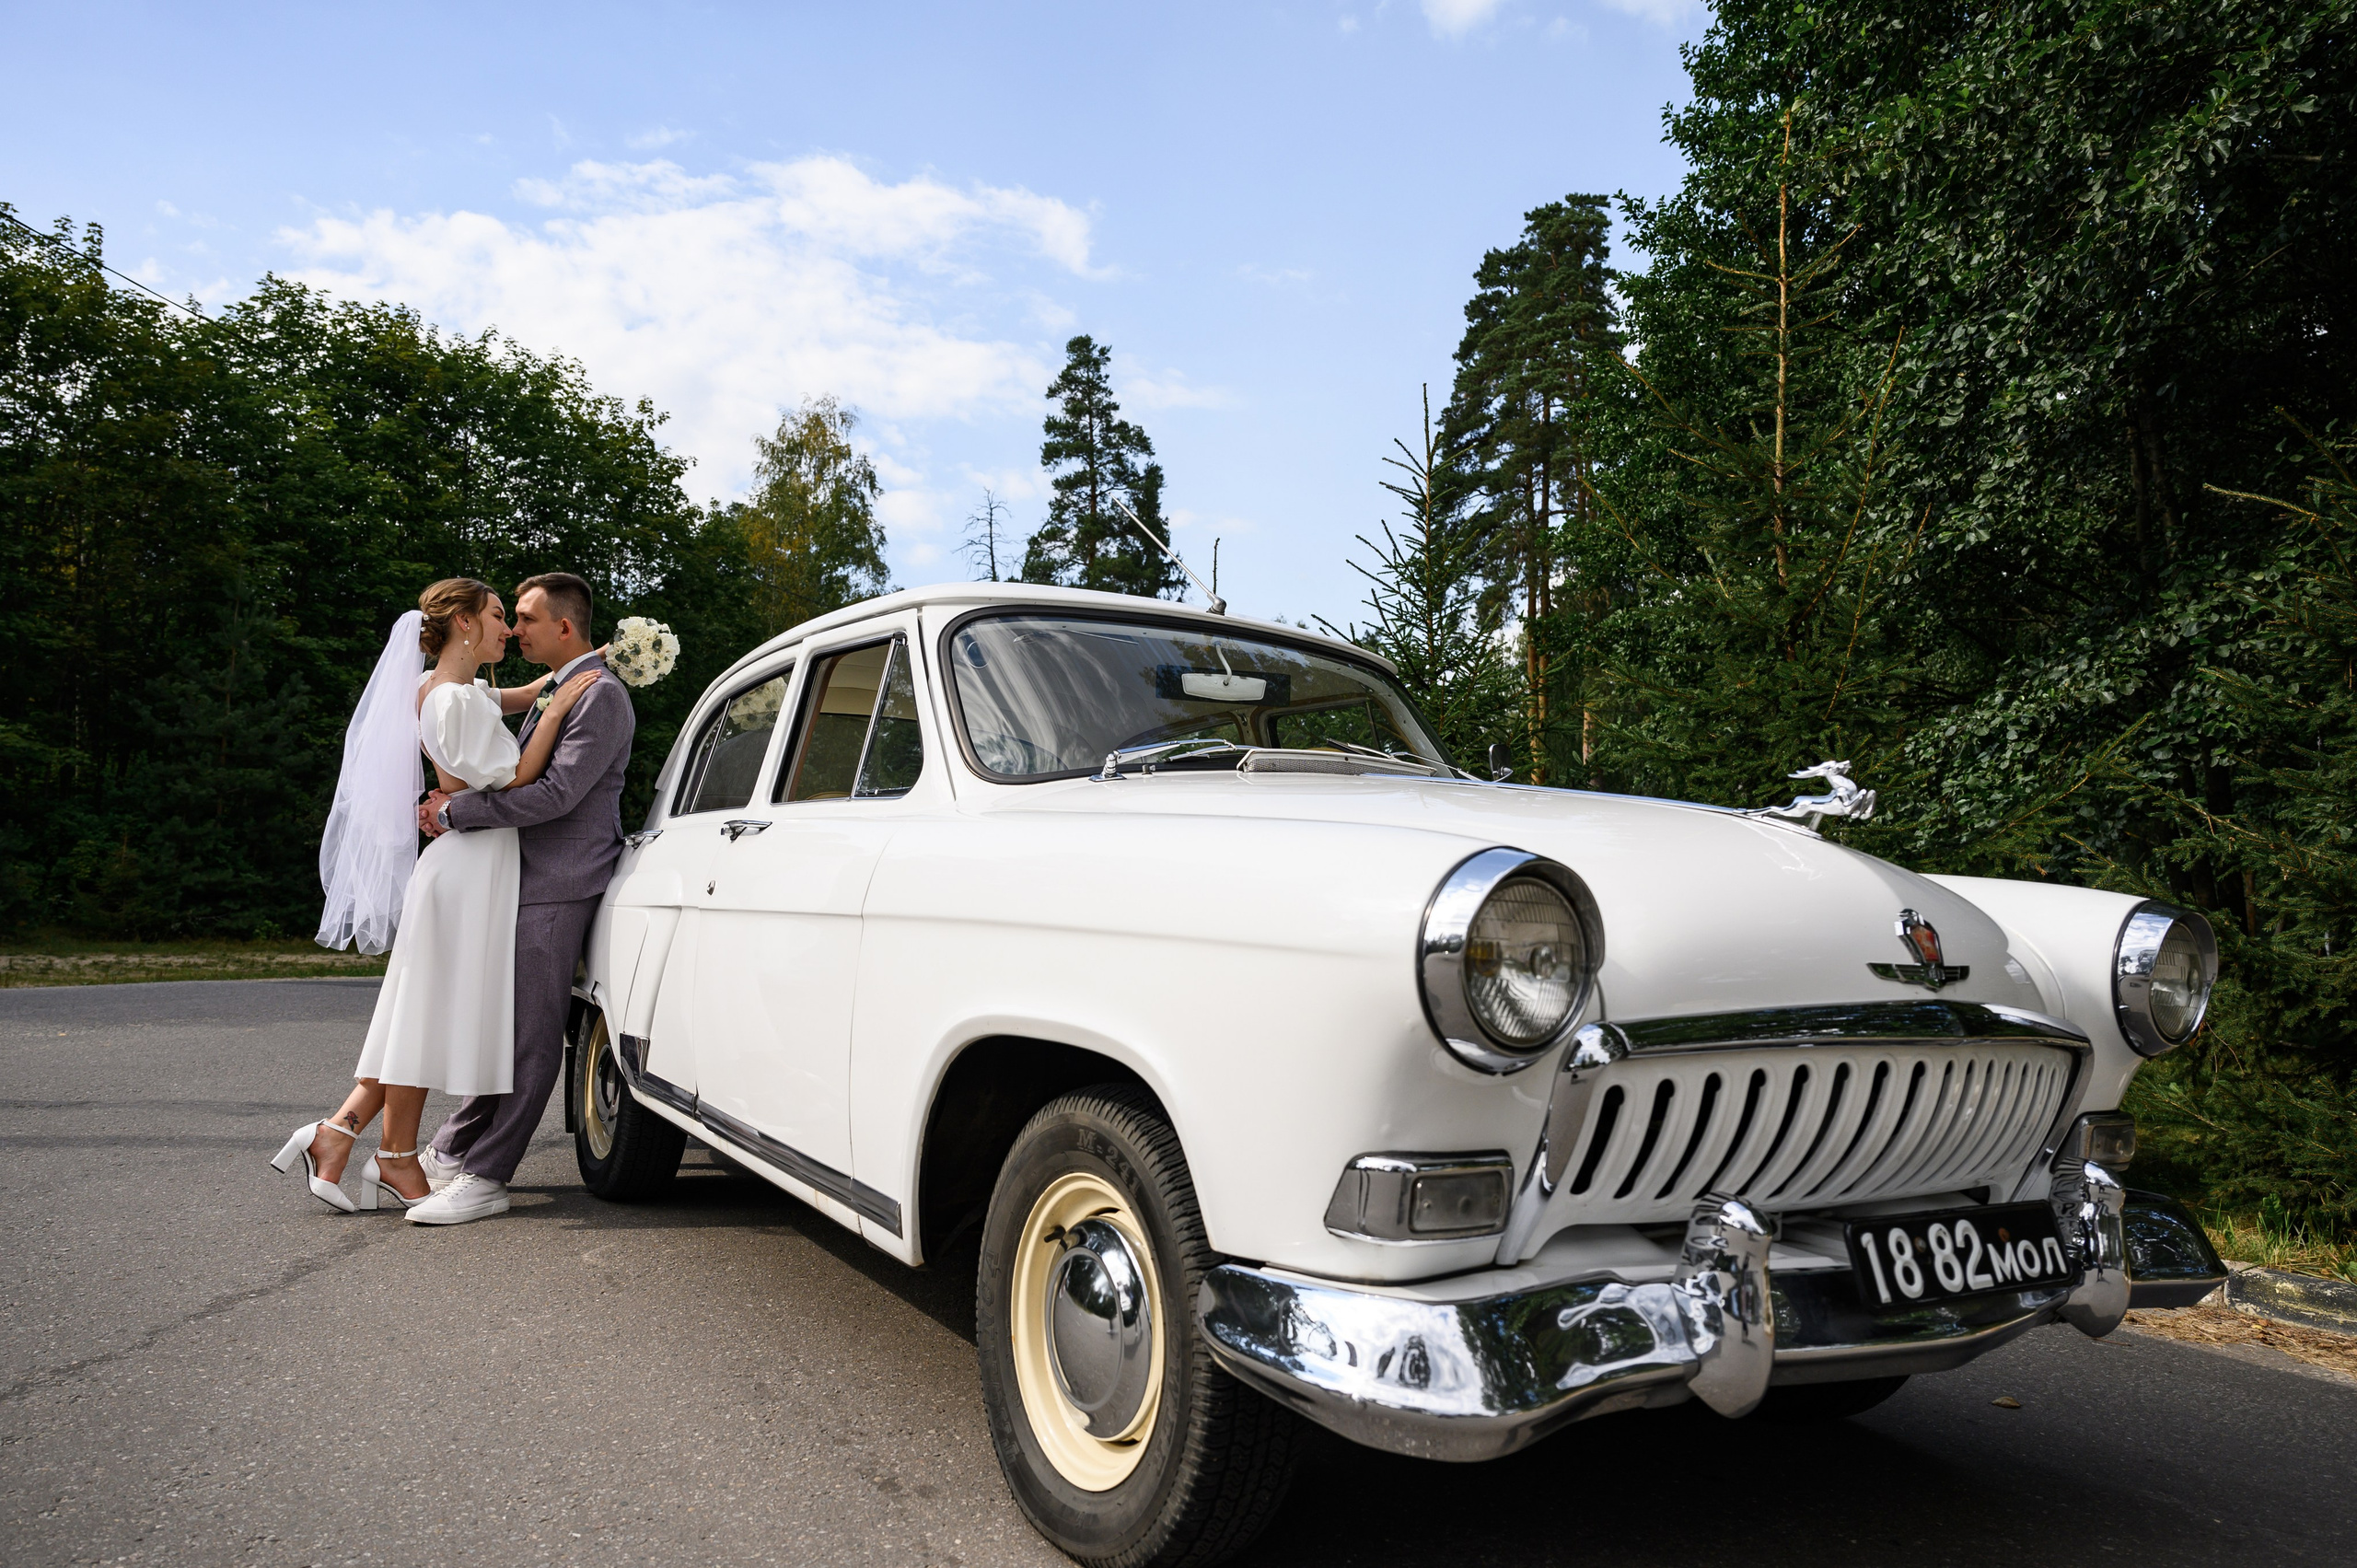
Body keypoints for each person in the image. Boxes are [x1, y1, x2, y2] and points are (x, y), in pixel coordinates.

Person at [273, 578, 600, 1214]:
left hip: (469, 866)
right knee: (423, 1014)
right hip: (471, 867)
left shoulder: (447, 690)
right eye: (500, 615)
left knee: (415, 1010)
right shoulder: (455, 702)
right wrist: (556, 713)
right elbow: (515, 777)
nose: (508, 628)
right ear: (465, 624)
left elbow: (506, 697)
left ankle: (338, 1133)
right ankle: (391, 1156)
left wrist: (572, 674)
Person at [409, 571, 634, 1225]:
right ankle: (453, 1150)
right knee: (507, 1029)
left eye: (527, 618)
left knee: (533, 1038)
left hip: (562, 880)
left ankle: (487, 1174)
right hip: (523, 876)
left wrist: (455, 814)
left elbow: (555, 796)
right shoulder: (562, 686)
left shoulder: (603, 696)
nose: (514, 628)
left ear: (565, 627)